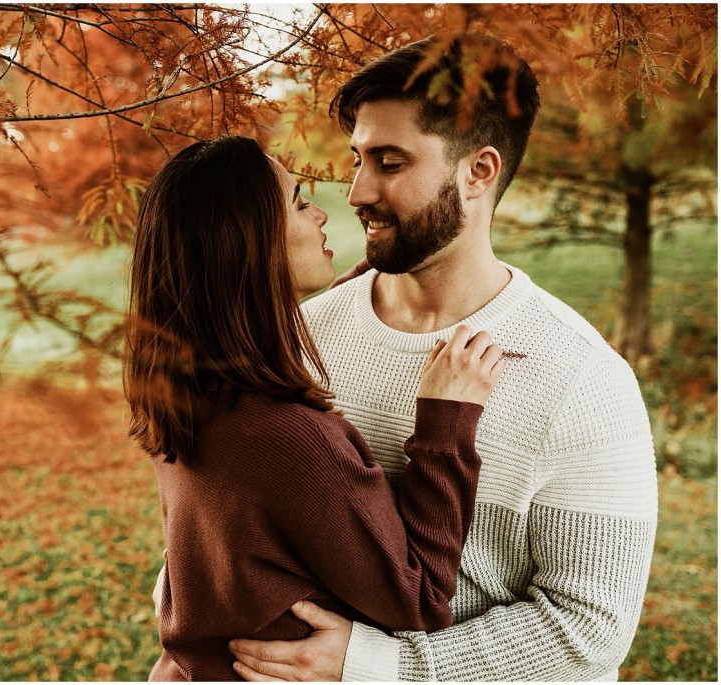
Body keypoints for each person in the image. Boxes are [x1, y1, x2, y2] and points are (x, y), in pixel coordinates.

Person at [227, 34, 658, 681]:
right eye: (357, 159)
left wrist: (379, 664)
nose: (356, 191)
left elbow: (588, 627)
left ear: (478, 172)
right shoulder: (302, 336)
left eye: (390, 162)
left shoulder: (582, 378)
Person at [125, 134, 506, 681]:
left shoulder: (188, 395)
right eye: (300, 203)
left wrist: (372, 274)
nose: (325, 213)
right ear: (251, 244)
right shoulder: (289, 439)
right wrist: (446, 423)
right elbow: (419, 598)